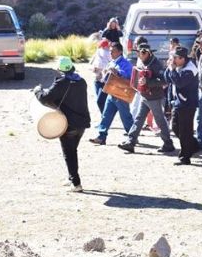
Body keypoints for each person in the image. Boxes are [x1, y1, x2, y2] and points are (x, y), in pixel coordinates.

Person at [34, 57, 91, 193]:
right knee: (72, 151)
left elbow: (45, 98)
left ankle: (76, 183)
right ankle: (71, 177)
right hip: (82, 124)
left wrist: (38, 90)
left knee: (69, 154)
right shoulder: (82, 81)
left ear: (60, 70)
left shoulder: (62, 82)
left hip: (68, 124)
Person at [118, 43, 175, 154]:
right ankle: (131, 142)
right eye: (139, 52)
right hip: (146, 96)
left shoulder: (156, 64)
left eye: (143, 52)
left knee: (160, 120)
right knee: (139, 119)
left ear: (149, 53)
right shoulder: (145, 62)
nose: (140, 55)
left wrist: (148, 82)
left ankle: (168, 143)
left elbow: (164, 81)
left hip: (154, 97)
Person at [89, 43, 134, 145]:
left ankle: (132, 137)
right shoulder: (111, 62)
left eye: (113, 51)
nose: (110, 53)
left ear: (120, 52)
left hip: (121, 94)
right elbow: (105, 78)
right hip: (111, 93)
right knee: (106, 116)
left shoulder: (126, 63)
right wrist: (104, 73)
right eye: (110, 51)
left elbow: (129, 76)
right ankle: (101, 137)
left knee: (126, 117)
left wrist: (117, 72)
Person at [164, 46, 199, 165]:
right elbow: (167, 79)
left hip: (188, 104)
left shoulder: (190, 69)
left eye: (175, 58)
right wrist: (169, 69)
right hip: (178, 102)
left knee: (185, 131)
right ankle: (194, 145)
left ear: (182, 58)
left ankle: (185, 157)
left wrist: (173, 70)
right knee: (175, 127)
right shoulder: (178, 66)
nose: (173, 60)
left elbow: (179, 83)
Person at [90, 39, 112, 114]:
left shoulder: (109, 53)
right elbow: (90, 64)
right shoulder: (99, 52)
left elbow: (111, 63)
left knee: (100, 100)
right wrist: (93, 68)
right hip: (97, 78)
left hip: (105, 79)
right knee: (100, 99)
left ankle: (105, 117)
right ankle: (103, 116)